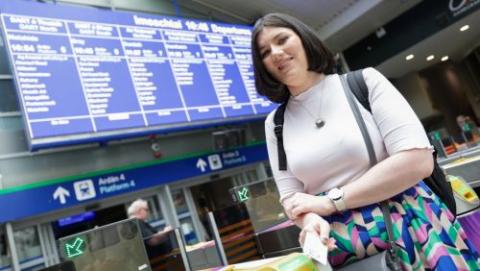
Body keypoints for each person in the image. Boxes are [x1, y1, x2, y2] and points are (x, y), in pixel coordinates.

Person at [251, 13, 480, 269]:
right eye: (264, 52)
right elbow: (291, 199)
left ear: (305, 40)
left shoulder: (363, 82)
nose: (276, 53)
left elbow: (417, 160)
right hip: (343, 249)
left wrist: (329, 202)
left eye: (282, 39)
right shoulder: (275, 124)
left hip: (412, 228)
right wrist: (308, 221)